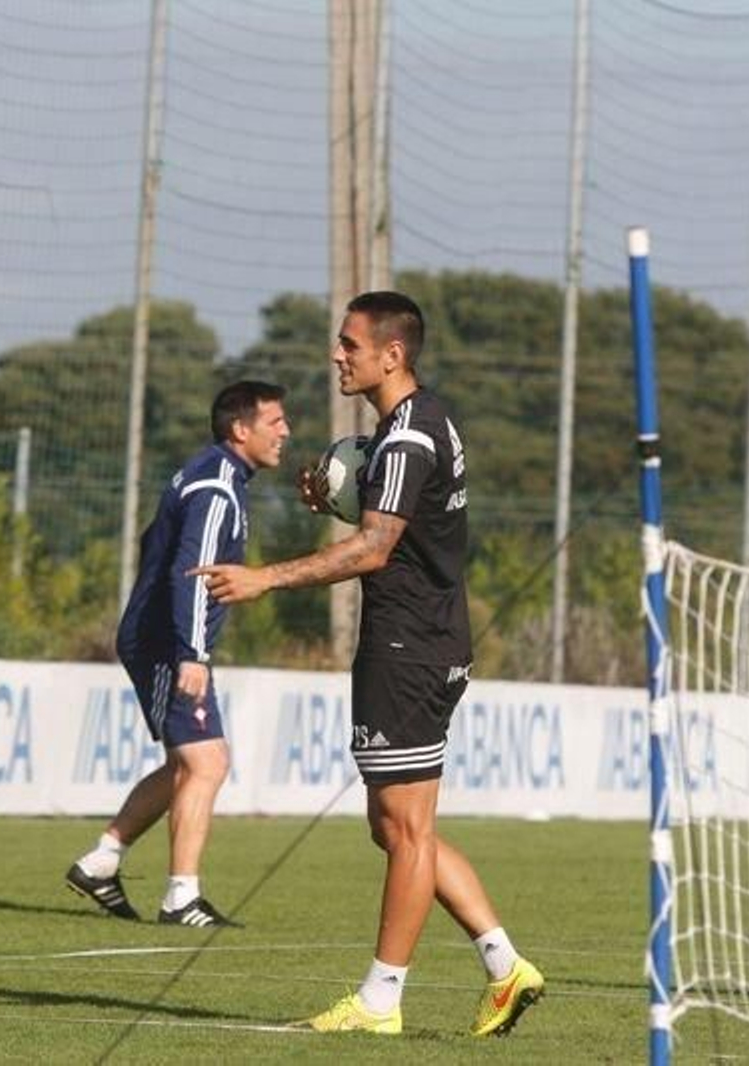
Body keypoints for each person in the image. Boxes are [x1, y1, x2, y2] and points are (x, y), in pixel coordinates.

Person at [193, 292, 545, 1037]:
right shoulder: (415, 426)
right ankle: (504, 965)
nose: (337, 354)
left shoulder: (410, 434)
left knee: (406, 829)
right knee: (394, 827)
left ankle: (381, 1000)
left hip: (408, 645)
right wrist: (343, 506)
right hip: (424, 638)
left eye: (350, 344)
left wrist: (263, 577)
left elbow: (376, 549)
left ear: (393, 354)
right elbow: (397, 530)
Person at [65, 381, 290, 927]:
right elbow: (191, 575)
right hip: (169, 644)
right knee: (208, 762)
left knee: (185, 765)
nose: (285, 432)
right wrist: (192, 651)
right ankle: (181, 898)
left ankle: (100, 862)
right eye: (275, 421)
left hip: (163, 638)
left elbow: (154, 542)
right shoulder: (216, 487)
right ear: (241, 429)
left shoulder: (212, 474)